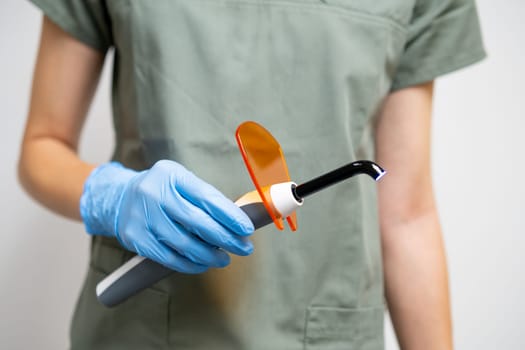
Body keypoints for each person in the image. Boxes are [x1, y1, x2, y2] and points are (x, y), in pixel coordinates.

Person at [18, 0, 485, 349]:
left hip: (327, 332)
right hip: (146, 329)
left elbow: (407, 216)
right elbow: (42, 148)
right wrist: (113, 196)